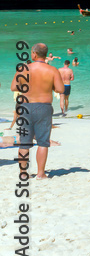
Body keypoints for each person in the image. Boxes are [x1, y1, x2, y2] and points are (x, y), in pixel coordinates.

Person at [9, 43, 64, 179]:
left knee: (24, 143)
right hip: (44, 107)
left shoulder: (23, 68)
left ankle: (23, 173)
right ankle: (40, 173)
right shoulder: (52, 70)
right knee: (43, 142)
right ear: (45, 54)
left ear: (34, 53)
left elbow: (13, 87)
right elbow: (60, 90)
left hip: (26, 107)